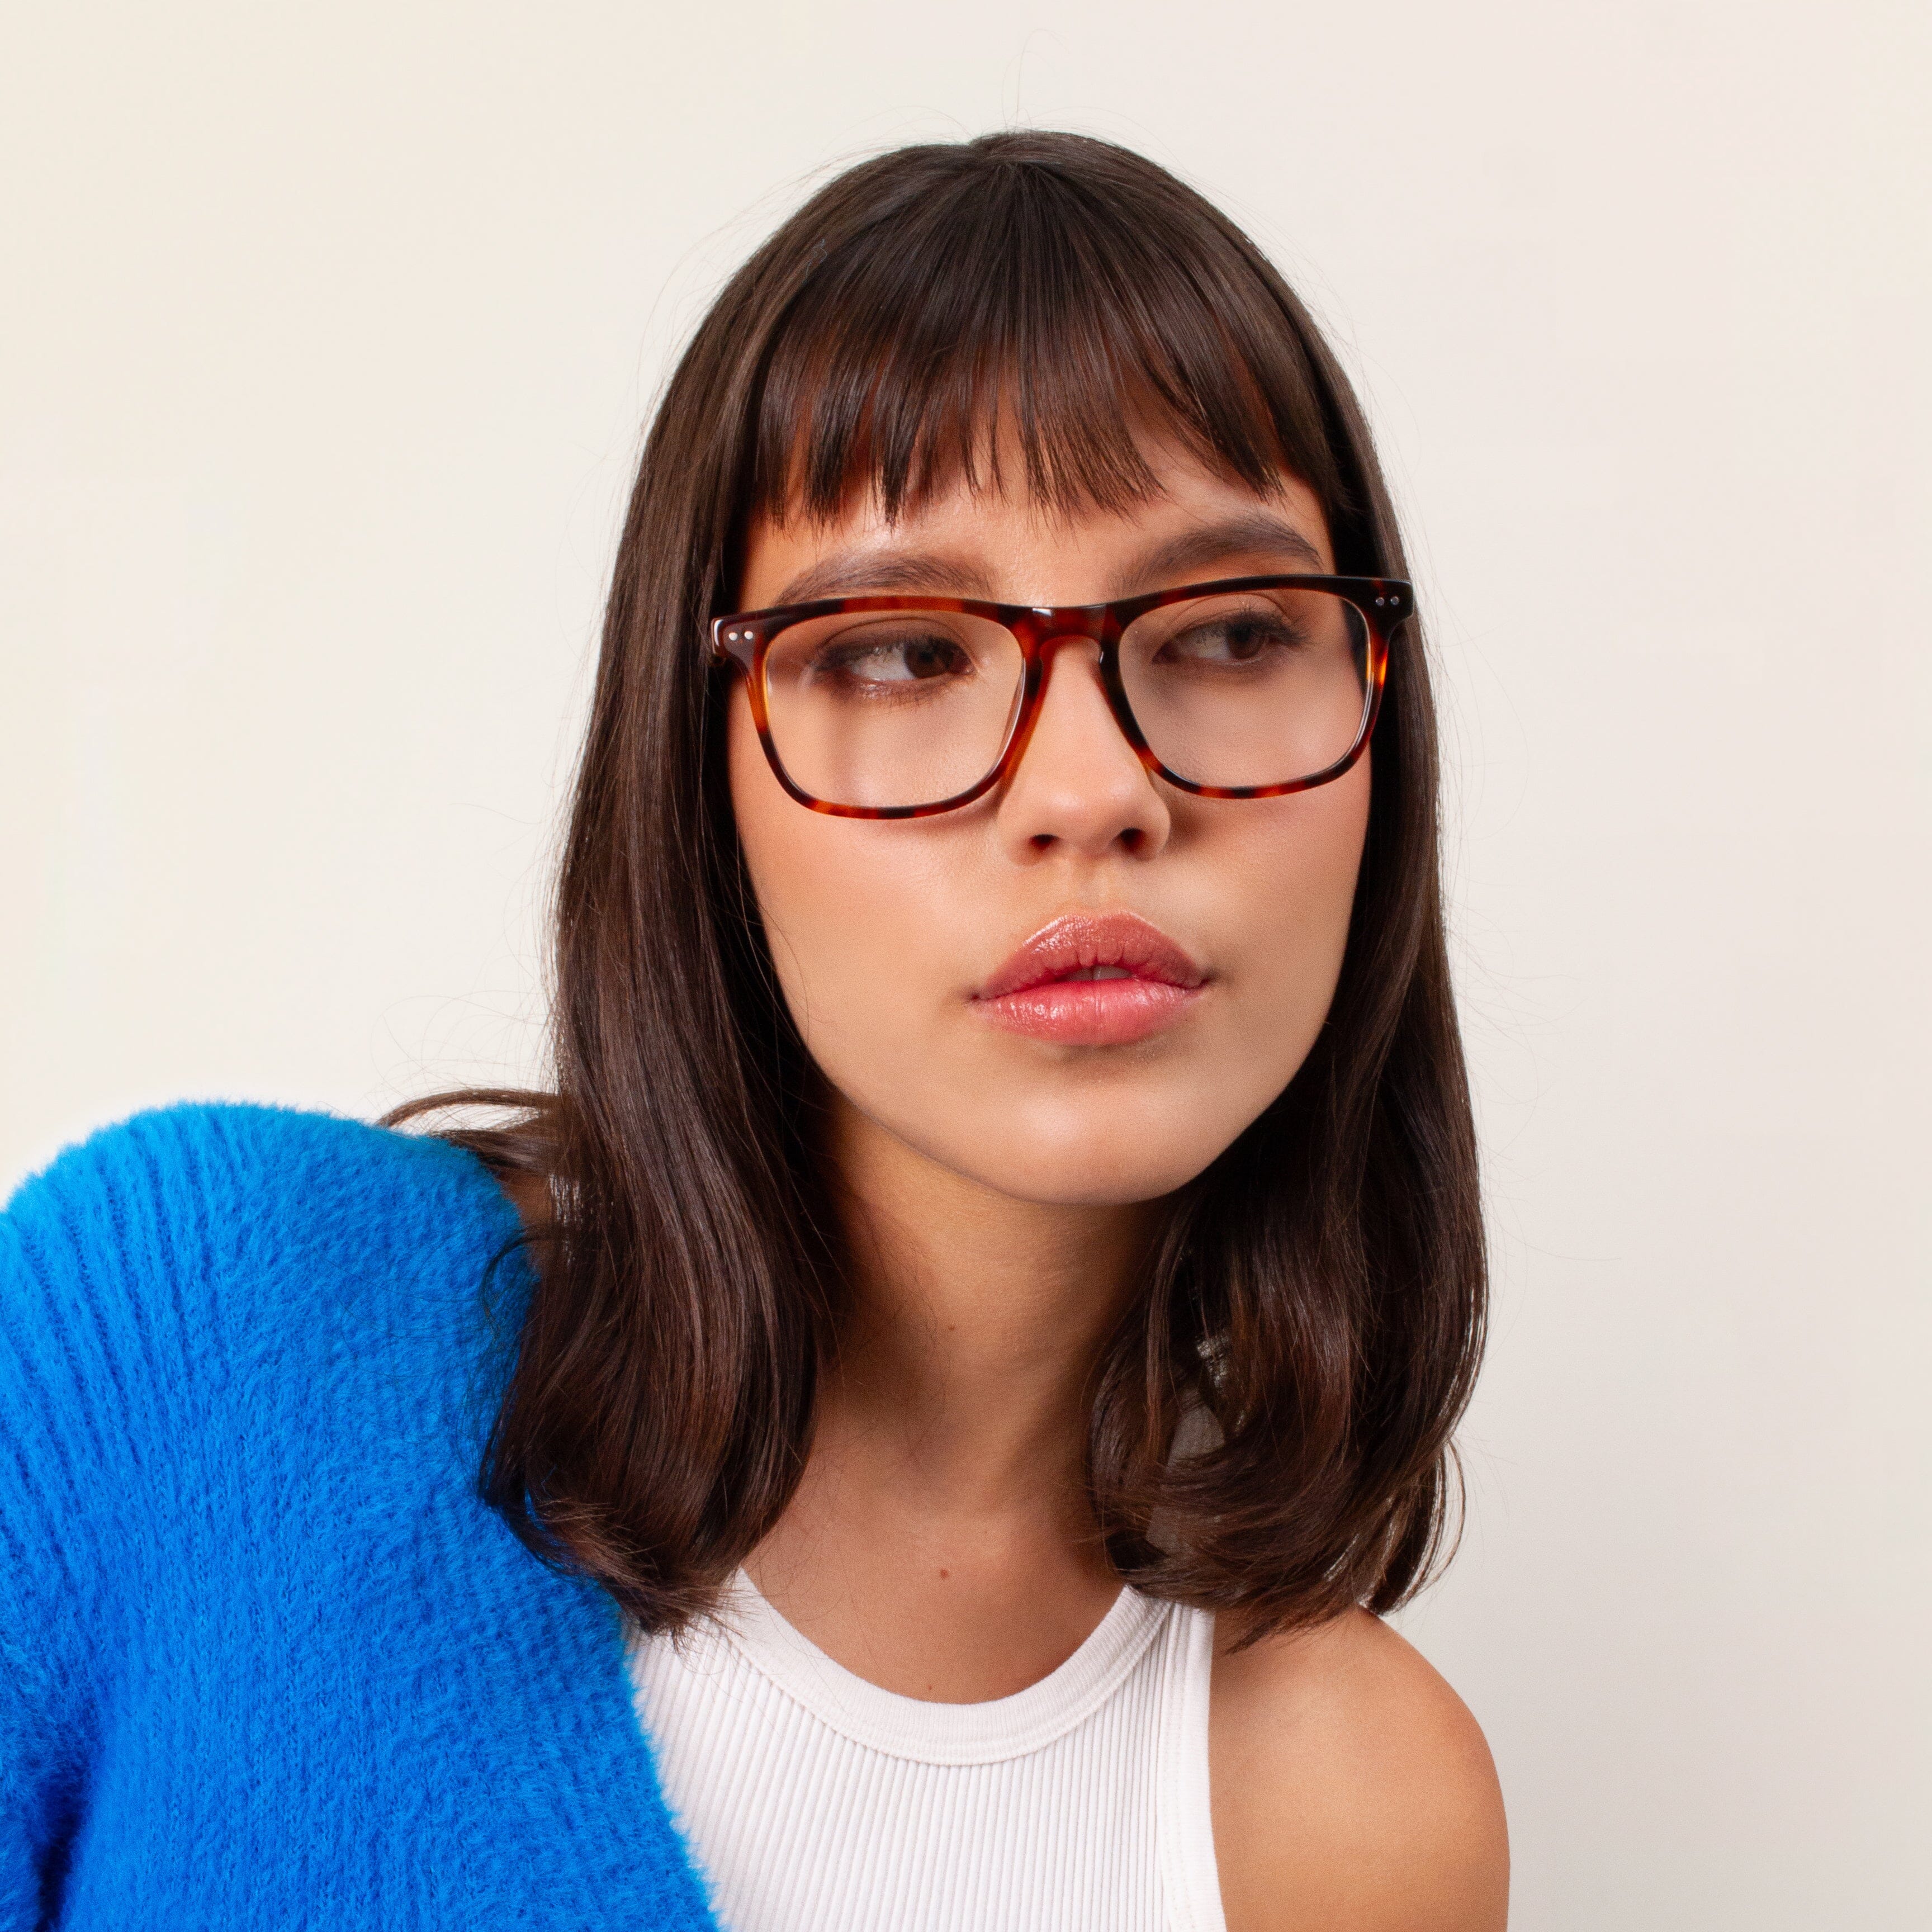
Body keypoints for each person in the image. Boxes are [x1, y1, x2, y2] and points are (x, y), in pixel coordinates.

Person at [0, 132, 1507, 1930]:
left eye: (1237, 632)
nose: (1096, 791)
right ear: (697, 770)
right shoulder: (199, 1334)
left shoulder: (1352, 1819)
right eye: (904, 652)